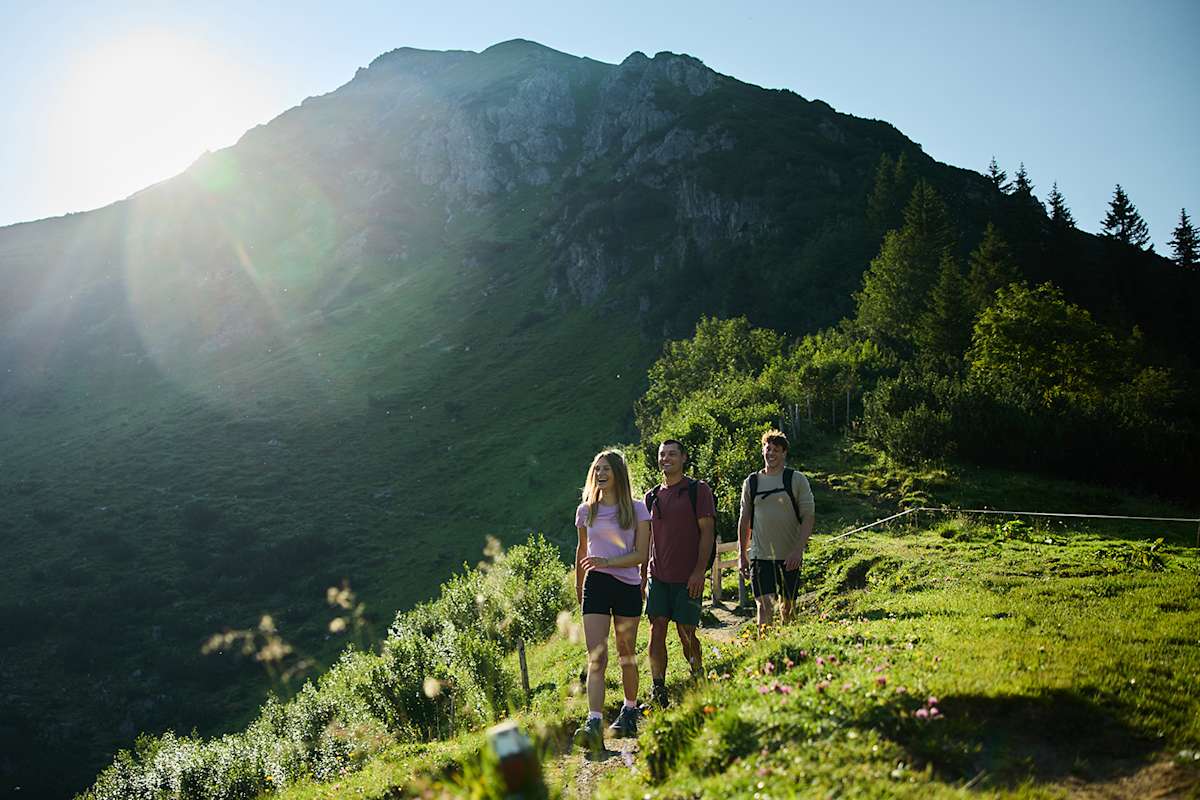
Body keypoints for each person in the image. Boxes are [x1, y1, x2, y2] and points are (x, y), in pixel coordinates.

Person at [573, 449, 651, 750]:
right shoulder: (585, 511)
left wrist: (608, 562)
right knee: (597, 657)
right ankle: (594, 721)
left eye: (606, 469)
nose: (601, 474)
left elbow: (641, 555)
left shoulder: (637, 509)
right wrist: (580, 588)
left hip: (627, 585)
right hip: (596, 585)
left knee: (625, 653)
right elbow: (582, 554)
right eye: (597, 469)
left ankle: (630, 710)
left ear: (618, 473)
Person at [643, 439, 715, 708]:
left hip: (688, 577)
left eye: (672, 454)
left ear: (684, 457)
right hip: (658, 577)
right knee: (656, 629)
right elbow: (646, 540)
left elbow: (707, 532)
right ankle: (658, 689)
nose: (666, 458)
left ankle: (698, 675)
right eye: (662, 454)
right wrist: (643, 579)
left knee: (686, 632)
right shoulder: (651, 497)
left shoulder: (698, 490)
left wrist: (699, 572)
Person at [737, 429, 815, 629]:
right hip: (760, 555)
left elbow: (808, 517)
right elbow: (744, 519)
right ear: (762, 450)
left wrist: (798, 549)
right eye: (767, 448)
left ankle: (788, 649)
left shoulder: (796, 480)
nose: (771, 453)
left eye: (776, 450)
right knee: (764, 605)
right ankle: (765, 651)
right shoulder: (751, 482)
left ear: (784, 453)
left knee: (788, 608)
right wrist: (741, 554)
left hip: (789, 555)